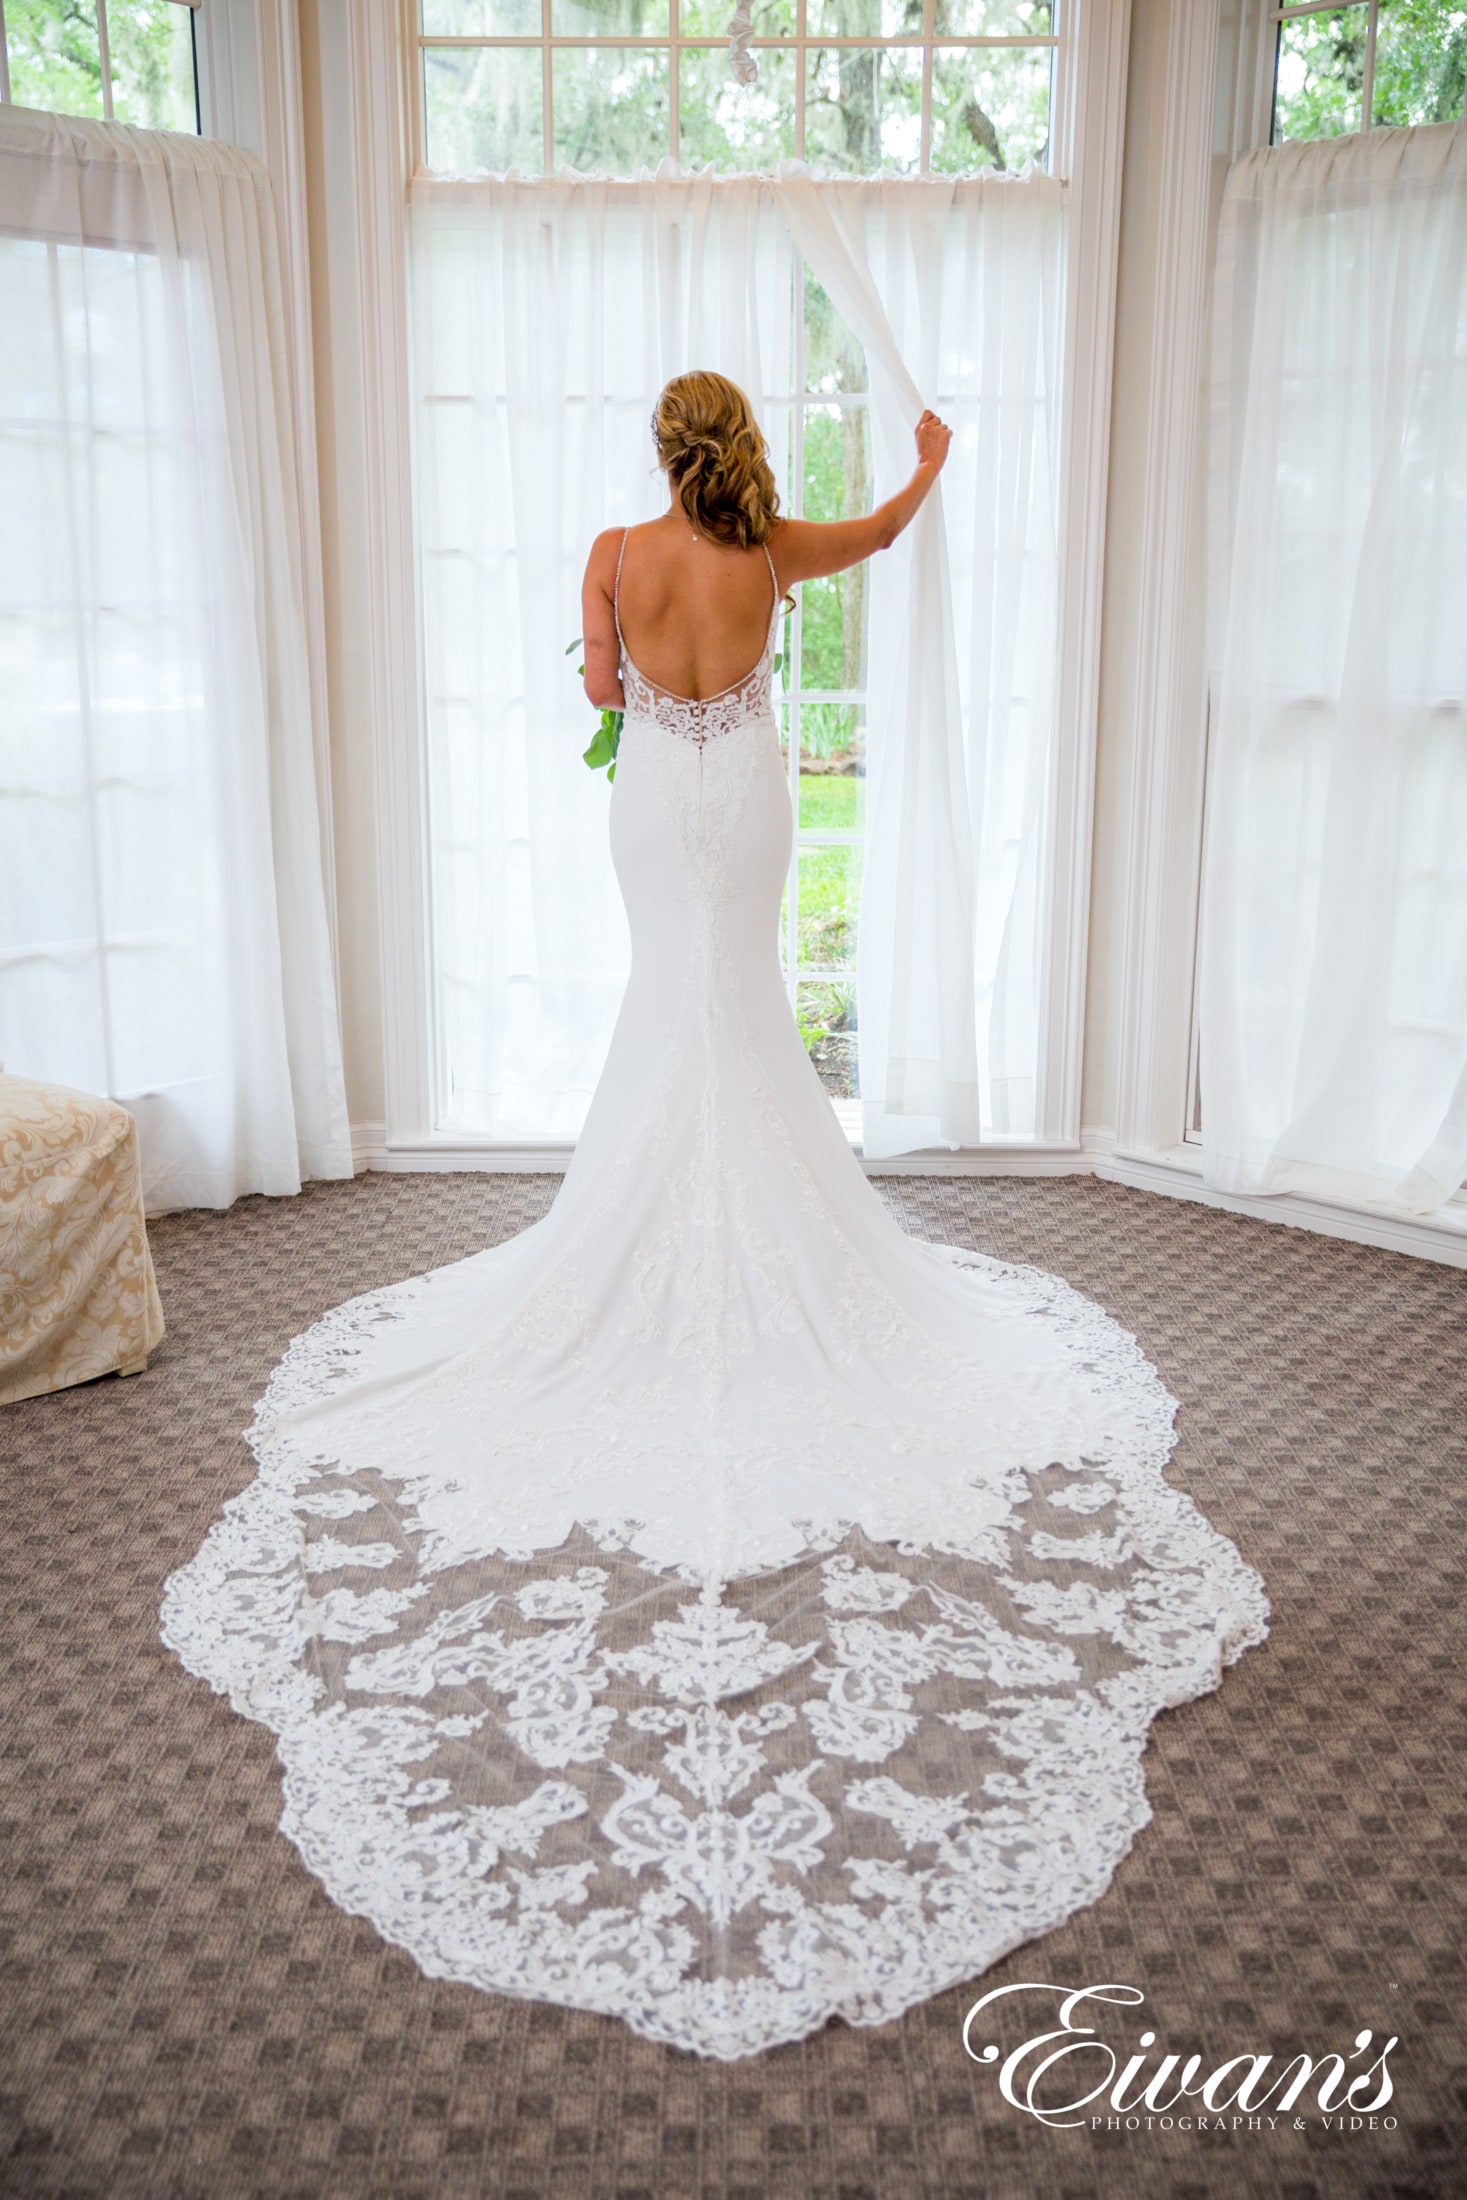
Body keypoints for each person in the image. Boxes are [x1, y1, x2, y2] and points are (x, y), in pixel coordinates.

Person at [163, 371, 1267, 2063]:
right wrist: (928, 467)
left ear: (654, 456)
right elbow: (889, 534)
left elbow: (599, 693)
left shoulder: (615, 553)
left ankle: (648, 1251)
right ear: (736, 451)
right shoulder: (774, 555)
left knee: (664, 1003)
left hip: (643, 813)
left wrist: (601, 677)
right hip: (748, 812)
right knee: (737, 1006)